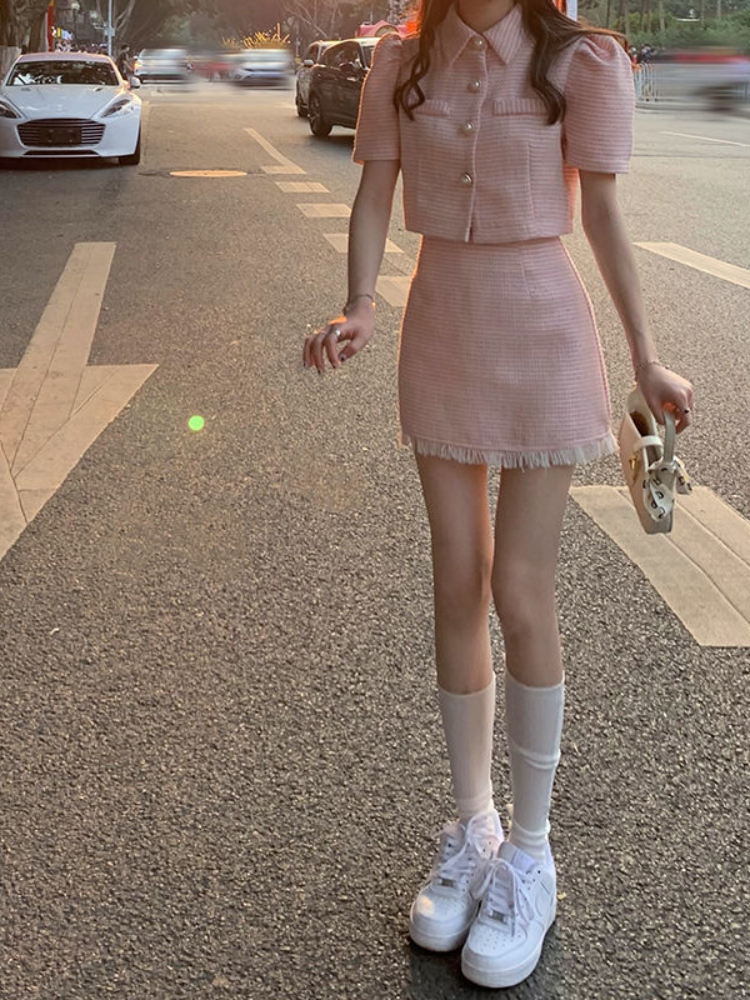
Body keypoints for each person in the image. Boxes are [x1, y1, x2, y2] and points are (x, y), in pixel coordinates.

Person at [303, 0, 693, 989]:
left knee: (521, 589)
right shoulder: (400, 64)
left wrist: (646, 358)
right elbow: (374, 194)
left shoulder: (584, 60)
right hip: (442, 328)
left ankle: (531, 850)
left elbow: (602, 214)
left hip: (546, 332)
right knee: (456, 580)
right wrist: (358, 305)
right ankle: (474, 824)